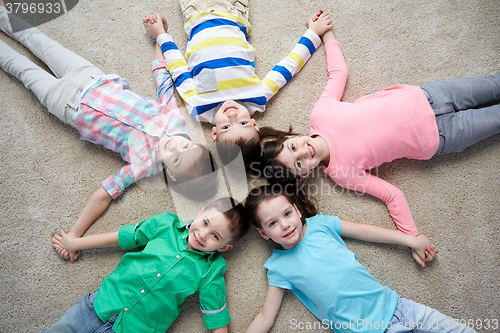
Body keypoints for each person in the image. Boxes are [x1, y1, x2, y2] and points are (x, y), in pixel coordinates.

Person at [0, 7, 218, 261]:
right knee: (37, 40)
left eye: (178, 159)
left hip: (69, 106)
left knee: (19, 67)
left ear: (170, 172)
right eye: (187, 147)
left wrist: (76, 236)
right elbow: (162, 76)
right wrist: (160, 36)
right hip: (93, 78)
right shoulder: (174, 118)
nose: (175, 147)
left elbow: (104, 193)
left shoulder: (145, 165)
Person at [257, 20, 500, 237]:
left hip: (429, 95)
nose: (303, 152)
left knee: (492, 85)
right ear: (306, 174)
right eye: (299, 163)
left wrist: (328, 36)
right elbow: (390, 195)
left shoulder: (320, 114)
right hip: (440, 137)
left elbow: (338, 73)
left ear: (291, 136)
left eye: (292, 146)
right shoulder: (342, 174)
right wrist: (411, 236)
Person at [244, 184, 478, 333]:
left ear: (297, 210)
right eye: (272, 223)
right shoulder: (277, 267)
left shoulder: (320, 224)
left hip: (397, 308)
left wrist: (412, 240)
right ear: (263, 233)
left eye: (286, 214)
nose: (284, 225)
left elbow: (366, 231)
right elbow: (266, 316)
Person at [142, 5, 333, 167]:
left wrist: (161, 36)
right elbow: (288, 67)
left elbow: (179, 70)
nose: (232, 115)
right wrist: (313, 34)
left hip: (196, 16)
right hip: (234, 11)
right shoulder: (257, 97)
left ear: (214, 133)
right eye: (242, 123)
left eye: (226, 126)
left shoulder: (199, 107)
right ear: (254, 123)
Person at [48, 197, 249, 332]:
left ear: (224, 247)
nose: (203, 235)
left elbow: (216, 314)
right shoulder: (166, 223)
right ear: (200, 212)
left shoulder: (211, 269)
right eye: (205, 222)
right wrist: (75, 242)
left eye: (215, 236)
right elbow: (122, 237)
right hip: (100, 305)